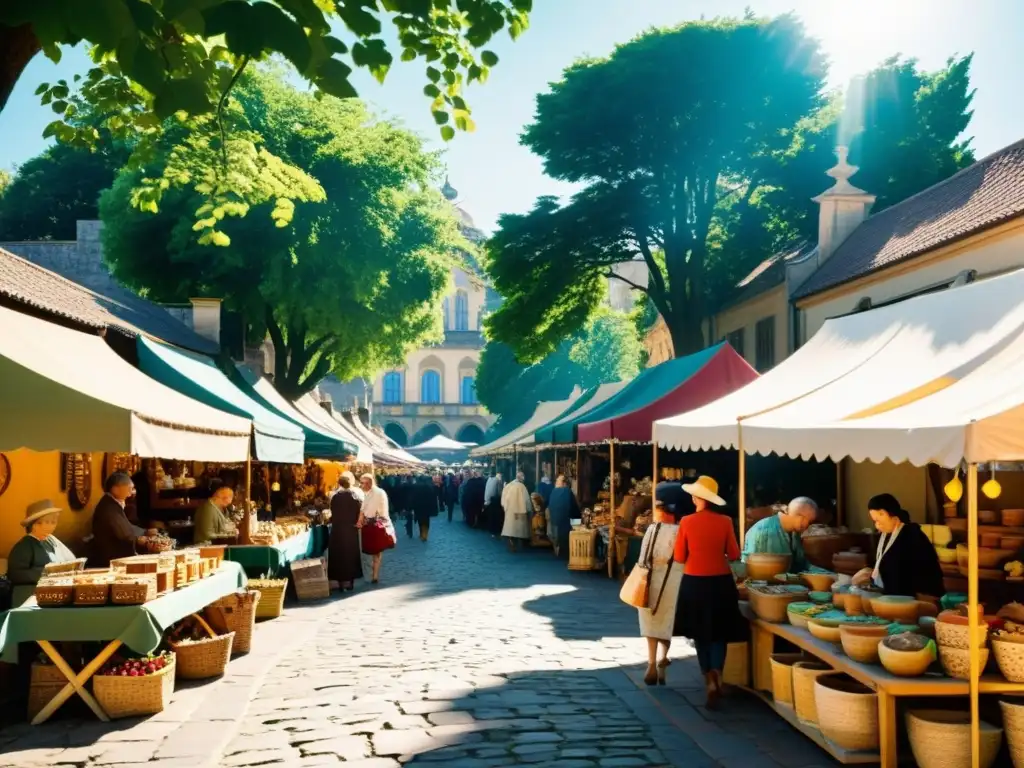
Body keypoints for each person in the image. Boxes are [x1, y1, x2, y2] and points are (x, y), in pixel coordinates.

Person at [673, 475, 746, 709]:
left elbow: (679, 557)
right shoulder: (725, 521)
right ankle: (718, 674)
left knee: (699, 632)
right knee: (719, 633)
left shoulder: (686, 522)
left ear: (697, 498)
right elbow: (734, 554)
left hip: (694, 582)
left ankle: (707, 677)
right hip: (721, 583)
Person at [852, 493, 945, 599]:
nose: (877, 525)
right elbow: (881, 564)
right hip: (893, 595)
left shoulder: (912, 535)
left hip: (918, 597)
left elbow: (911, 574)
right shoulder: (885, 536)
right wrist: (869, 573)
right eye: (874, 521)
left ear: (889, 514)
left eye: (878, 519)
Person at [637, 497, 682, 686]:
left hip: (651, 581)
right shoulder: (681, 531)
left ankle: (651, 664)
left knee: (650, 622)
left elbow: (642, 559)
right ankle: (663, 660)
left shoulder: (652, 529)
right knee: (667, 621)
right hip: (674, 582)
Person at [7, 500, 77, 607]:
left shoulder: (51, 540)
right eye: (48, 522)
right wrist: (45, 573)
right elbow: (15, 574)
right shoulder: (25, 545)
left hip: (53, 595)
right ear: (35, 524)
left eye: (54, 522)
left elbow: (70, 558)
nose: (52, 526)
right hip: (28, 598)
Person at [742, 496, 821, 573]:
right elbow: (759, 570)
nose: (808, 526)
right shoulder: (764, 530)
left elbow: (802, 564)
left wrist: (826, 574)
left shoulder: (794, 534)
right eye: (809, 521)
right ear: (801, 517)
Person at [91, 472, 147, 567]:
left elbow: (125, 526)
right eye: (129, 488)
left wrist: (144, 532)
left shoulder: (113, 503)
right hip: (112, 559)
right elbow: (124, 535)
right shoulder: (108, 508)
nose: (131, 493)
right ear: (115, 489)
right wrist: (139, 539)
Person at [328, 472, 364, 591]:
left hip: (337, 529)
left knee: (338, 555)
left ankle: (339, 582)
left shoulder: (335, 497)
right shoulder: (355, 497)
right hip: (350, 530)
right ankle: (350, 582)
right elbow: (360, 513)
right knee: (350, 555)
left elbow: (332, 512)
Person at [359, 473, 394, 583]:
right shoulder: (377, 492)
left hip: (373, 525)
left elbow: (364, 510)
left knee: (373, 551)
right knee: (376, 552)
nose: (362, 485)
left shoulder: (375, 493)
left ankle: (374, 575)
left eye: (363, 483)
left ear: (369, 483)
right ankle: (374, 575)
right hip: (376, 524)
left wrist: (361, 520)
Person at [547, 475, 580, 558]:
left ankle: (557, 547)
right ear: (564, 483)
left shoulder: (553, 492)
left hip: (554, 521)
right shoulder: (567, 491)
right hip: (565, 521)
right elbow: (574, 507)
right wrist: (579, 518)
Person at [500, 471, 533, 551]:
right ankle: (519, 543)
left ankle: (511, 540)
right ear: (521, 478)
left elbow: (503, 498)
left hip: (510, 511)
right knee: (520, 529)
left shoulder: (509, 485)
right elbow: (526, 500)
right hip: (520, 512)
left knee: (511, 528)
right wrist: (529, 509)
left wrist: (505, 507)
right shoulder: (522, 487)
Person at [412, 475, 438, 542]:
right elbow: (433, 497)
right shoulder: (429, 486)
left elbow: (413, 497)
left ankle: (421, 533)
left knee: (420, 520)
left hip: (418, 506)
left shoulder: (416, 486)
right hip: (427, 507)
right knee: (426, 520)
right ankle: (425, 534)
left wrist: (412, 506)